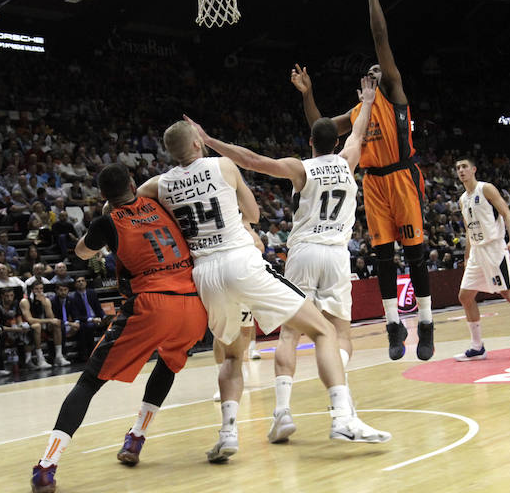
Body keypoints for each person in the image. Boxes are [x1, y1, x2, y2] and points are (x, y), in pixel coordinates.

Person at [138, 120, 390, 465]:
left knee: (231, 356)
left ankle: (228, 434)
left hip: (206, 275)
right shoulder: (223, 165)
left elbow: (124, 205)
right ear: (199, 143)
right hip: (243, 261)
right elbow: (254, 214)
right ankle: (342, 417)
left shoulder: (159, 184)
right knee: (323, 330)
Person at [184, 74, 376, 444]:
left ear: (309, 142)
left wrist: (208, 141)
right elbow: (359, 134)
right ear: (335, 142)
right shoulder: (348, 160)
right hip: (337, 255)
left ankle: (282, 412)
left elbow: (253, 160)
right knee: (339, 334)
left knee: (290, 332)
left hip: (303, 252)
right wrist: (366, 101)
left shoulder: (300, 168)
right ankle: (340, 399)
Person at [30, 163, 207, 493]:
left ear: (101, 195)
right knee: (168, 363)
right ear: (133, 181)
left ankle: (46, 466)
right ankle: (136, 438)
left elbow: (83, 252)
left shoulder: (106, 221)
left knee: (89, 382)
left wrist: (103, 220)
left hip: (152, 303)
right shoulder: (160, 203)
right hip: (194, 303)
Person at [293, 0, 433, 361]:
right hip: (372, 184)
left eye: (380, 69)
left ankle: (425, 322)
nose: (377, 70)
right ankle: (394, 325)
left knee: (417, 255)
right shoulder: (357, 114)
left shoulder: (396, 96)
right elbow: (320, 132)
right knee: (384, 258)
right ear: (363, 83)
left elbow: (380, 37)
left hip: (402, 178)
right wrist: (307, 93)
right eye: (371, 71)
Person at [452, 158, 510, 361]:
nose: (461, 170)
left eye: (464, 167)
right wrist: (467, 255)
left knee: (509, 293)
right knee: (465, 296)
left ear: (473, 169)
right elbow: (469, 230)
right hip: (477, 251)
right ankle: (477, 347)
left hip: (494, 248)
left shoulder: (486, 189)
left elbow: (506, 213)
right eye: (458, 168)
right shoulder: (462, 200)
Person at [19, 281, 67, 369]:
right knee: (37, 326)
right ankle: (40, 358)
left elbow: (51, 318)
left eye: (41, 289)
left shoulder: (46, 300)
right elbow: (30, 320)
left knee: (57, 323)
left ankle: (59, 356)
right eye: (36, 289)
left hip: (43, 325)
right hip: (27, 327)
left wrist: (45, 305)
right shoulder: (25, 301)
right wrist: (49, 320)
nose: (39, 291)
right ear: (32, 290)